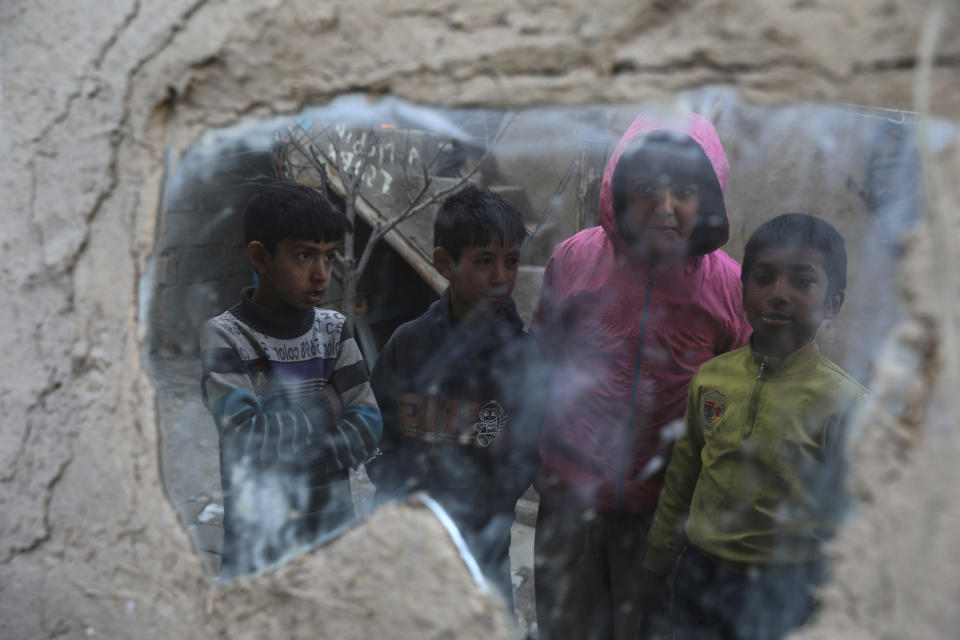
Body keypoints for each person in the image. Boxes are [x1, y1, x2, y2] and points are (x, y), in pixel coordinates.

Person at [530, 112, 751, 640]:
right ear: (620, 191)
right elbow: (538, 364)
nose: (665, 207)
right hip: (571, 501)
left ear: (710, 198)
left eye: (684, 190)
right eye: (647, 188)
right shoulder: (576, 261)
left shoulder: (727, 286)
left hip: (664, 515)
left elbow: (738, 398)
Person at [641, 213, 867, 639]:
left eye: (802, 281)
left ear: (833, 302)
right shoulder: (711, 379)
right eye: (763, 277)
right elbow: (684, 471)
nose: (778, 294)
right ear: (743, 290)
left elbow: (854, 515)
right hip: (701, 572)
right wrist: (659, 557)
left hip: (787, 587)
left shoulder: (846, 404)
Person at [366, 184, 545, 604]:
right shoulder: (406, 345)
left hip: (481, 554)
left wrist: (480, 507)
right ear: (444, 263)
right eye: (484, 262)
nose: (501, 277)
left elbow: (523, 456)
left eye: (512, 262)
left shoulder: (522, 357)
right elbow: (377, 433)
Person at [200, 181, 382, 579]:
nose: (321, 275)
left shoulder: (333, 330)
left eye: (329, 257)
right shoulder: (227, 335)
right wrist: (330, 403)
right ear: (261, 258)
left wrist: (288, 446)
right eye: (304, 256)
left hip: (329, 535)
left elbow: (369, 424)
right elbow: (249, 442)